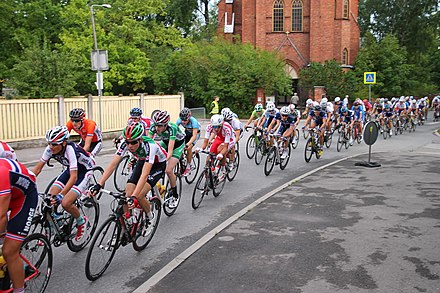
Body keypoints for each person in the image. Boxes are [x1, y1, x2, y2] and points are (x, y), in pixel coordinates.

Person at [90, 122, 167, 221]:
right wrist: (99, 184)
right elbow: (113, 164)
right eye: (127, 142)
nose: (130, 145)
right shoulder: (125, 144)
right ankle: (129, 221)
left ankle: (150, 217)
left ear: (140, 139)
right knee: (127, 195)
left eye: (134, 142)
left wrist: (134, 196)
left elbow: (145, 174)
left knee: (139, 195)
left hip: (158, 165)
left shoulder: (150, 146)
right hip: (143, 160)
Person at [32, 126, 95, 241]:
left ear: (64, 143)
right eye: (50, 143)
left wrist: (62, 194)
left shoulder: (71, 150)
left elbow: (74, 177)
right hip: (70, 170)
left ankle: (82, 221)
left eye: (55, 144)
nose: (51, 147)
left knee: (66, 203)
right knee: (49, 198)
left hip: (84, 172)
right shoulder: (50, 149)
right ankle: (54, 224)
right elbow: (37, 169)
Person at [0, 156, 38, 293]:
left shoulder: (1, 172)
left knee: (9, 251)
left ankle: (19, 290)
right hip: (7, 194)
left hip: (24, 198)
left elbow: (1, 216)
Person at [149, 111, 186, 205]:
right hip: (165, 142)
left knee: (169, 170)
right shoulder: (153, 127)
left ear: (165, 125)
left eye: (160, 126)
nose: (157, 128)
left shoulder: (172, 128)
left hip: (177, 145)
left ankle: (175, 195)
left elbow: (170, 150)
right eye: (156, 125)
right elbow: (148, 143)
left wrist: (165, 161)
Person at [196, 114, 235, 181]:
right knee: (209, 156)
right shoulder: (209, 127)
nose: (216, 129)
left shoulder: (226, 128)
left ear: (222, 124)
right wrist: (201, 149)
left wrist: (220, 154)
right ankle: (210, 173)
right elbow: (205, 141)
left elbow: (225, 147)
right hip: (219, 138)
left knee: (220, 150)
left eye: (218, 127)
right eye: (214, 127)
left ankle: (223, 170)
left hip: (229, 139)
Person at [176, 108, 201, 176]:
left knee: (189, 147)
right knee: (179, 145)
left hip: (195, 134)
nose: (183, 122)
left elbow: (194, 136)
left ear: (189, 118)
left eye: (185, 120)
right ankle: (182, 161)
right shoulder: (179, 120)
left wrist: (187, 145)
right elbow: (174, 130)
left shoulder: (194, 122)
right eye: (182, 120)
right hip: (187, 132)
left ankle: (189, 166)